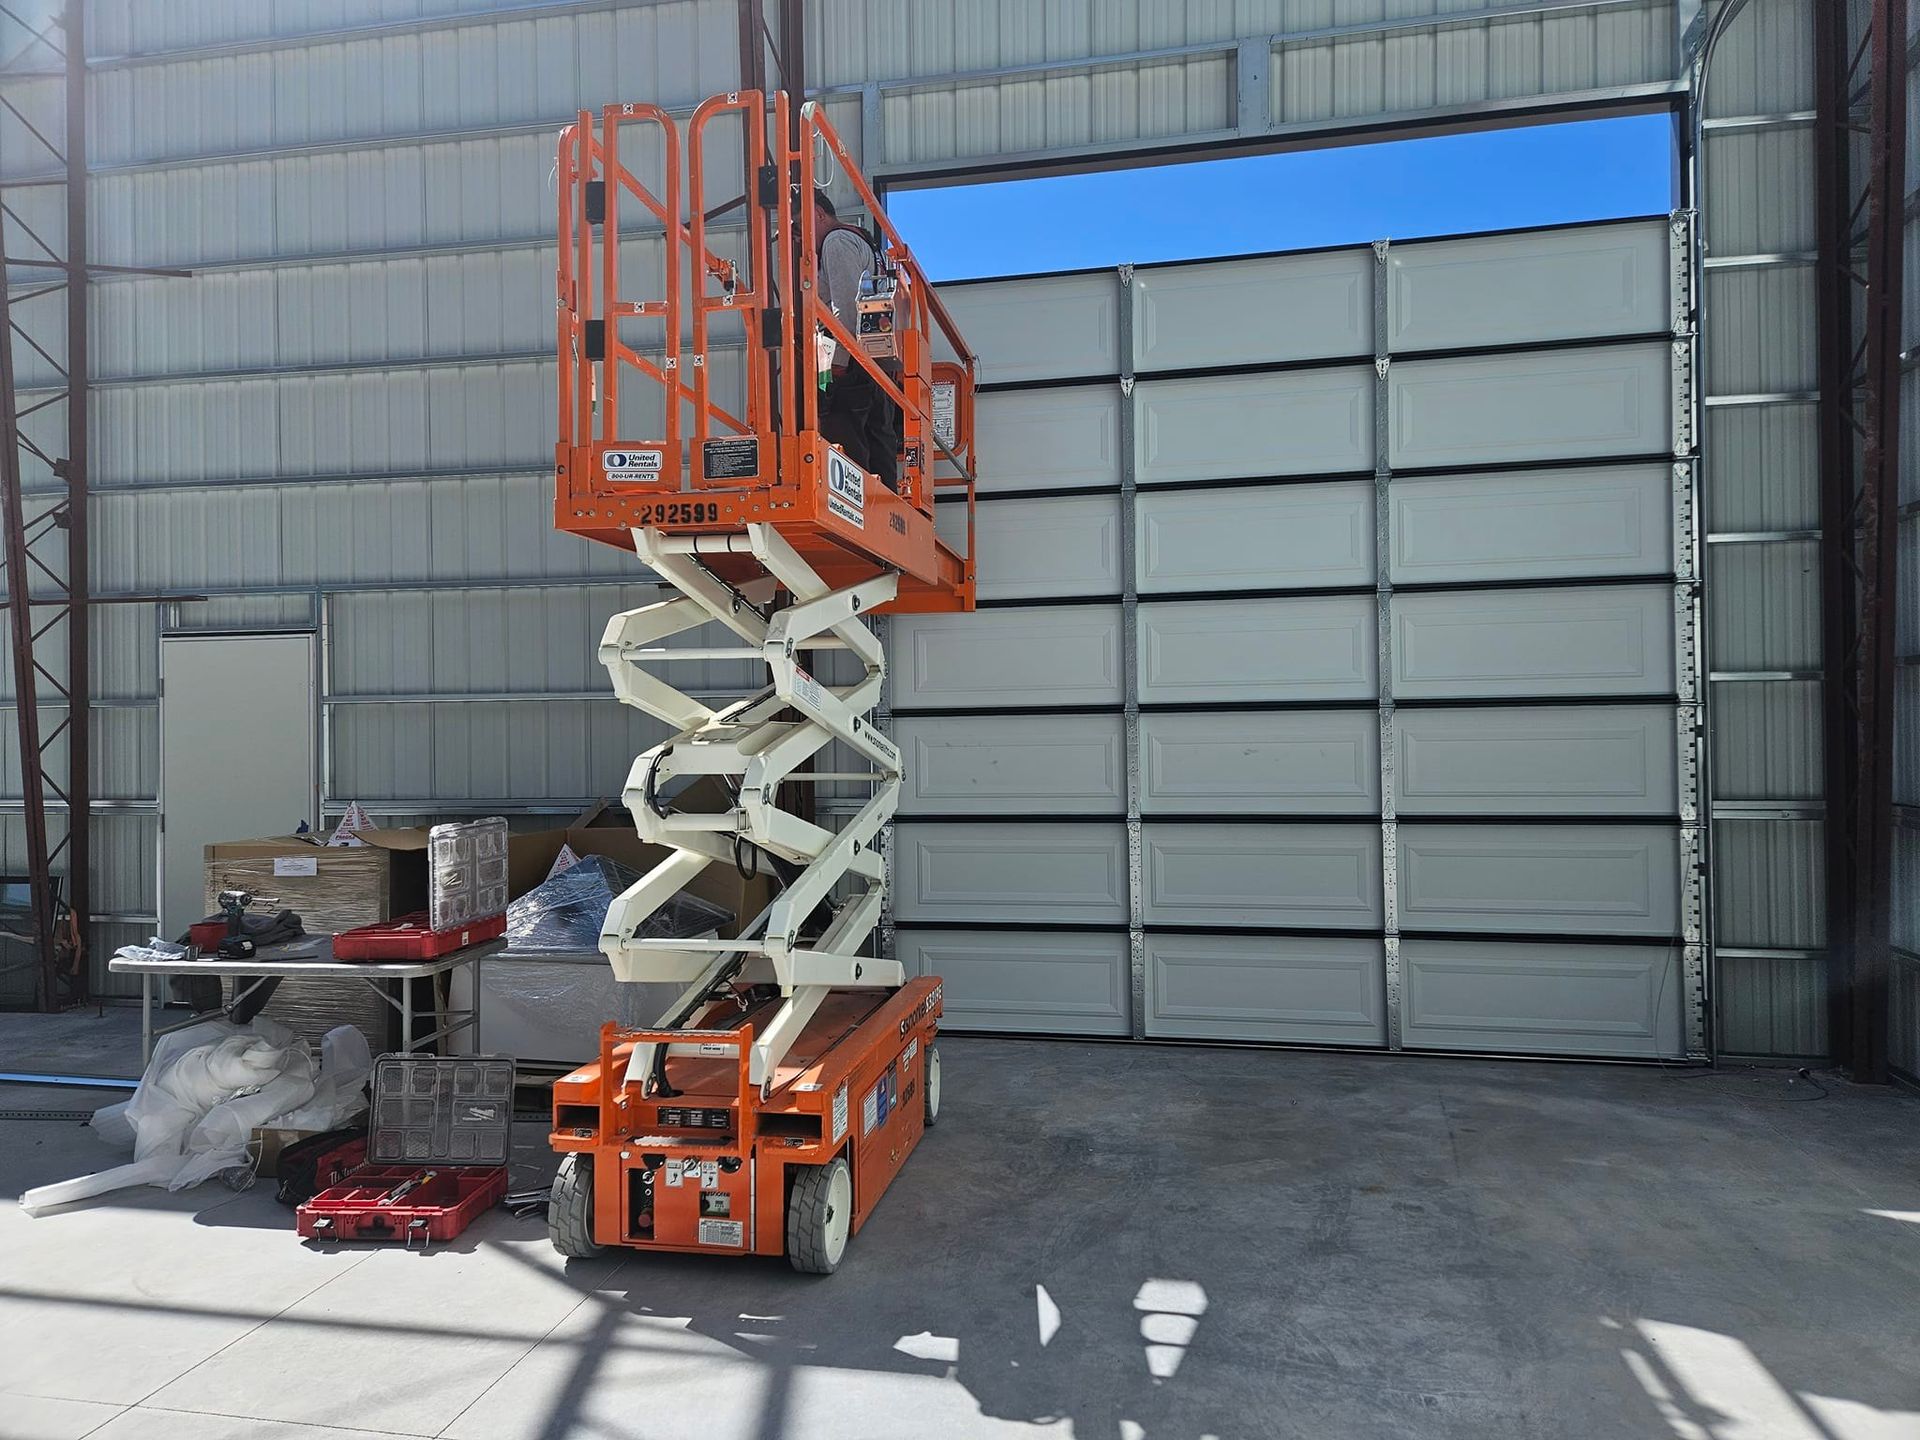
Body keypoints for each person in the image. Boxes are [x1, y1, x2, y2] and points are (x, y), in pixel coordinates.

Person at [813, 190, 901, 487]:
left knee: (843, 434)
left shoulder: (836, 242)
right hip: (874, 361)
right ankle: (884, 500)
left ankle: (855, 503)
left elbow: (847, 310)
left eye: (799, 224)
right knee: (878, 436)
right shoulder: (863, 241)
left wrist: (837, 364)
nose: (800, 235)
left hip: (848, 359)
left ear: (818, 214)